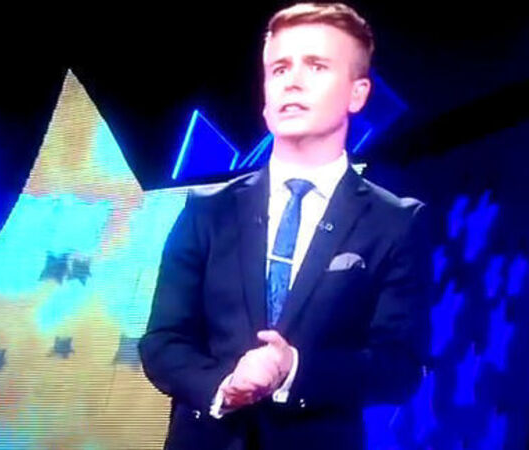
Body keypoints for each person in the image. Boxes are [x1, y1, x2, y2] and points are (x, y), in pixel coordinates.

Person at [138, 3, 431, 449]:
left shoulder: (395, 222)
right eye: (279, 69)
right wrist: (224, 386)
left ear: (357, 94)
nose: (292, 81)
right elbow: (162, 341)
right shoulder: (207, 212)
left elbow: (400, 367)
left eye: (316, 66)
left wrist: (293, 369)